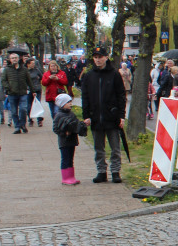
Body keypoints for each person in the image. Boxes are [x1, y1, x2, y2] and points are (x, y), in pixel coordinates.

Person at [80, 46, 127, 183]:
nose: (98, 60)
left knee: (115, 147)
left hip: (112, 117)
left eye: (100, 57)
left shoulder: (114, 74)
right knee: (98, 148)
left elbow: (121, 96)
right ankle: (101, 171)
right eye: (95, 57)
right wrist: (86, 115)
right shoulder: (89, 76)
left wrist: (121, 116)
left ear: (106, 57)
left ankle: (115, 171)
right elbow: (85, 97)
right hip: (96, 117)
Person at [52, 93, 85, 185]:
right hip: (64, 141)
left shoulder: (71, 114)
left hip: (72, 140)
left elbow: (76, 124)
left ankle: (71, 176)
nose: (70, 104)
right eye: (68, 102)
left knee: (71, 158)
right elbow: (55, 128)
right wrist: (63, 133)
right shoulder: (59, 115)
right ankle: (65, 178)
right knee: (65, 158)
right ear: (62, 104)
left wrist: (82, 125)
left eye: (70, 102)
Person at [3, 52, 37, 134]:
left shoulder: (24, 69)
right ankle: (17, 127)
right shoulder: (7, 69)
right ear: (10, 60)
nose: (14, 59)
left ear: (19, 59)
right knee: (14, 111)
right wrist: (8, 88)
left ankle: (23, 125)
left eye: (16, 58)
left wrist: (33, 91)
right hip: (12, 94)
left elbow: (29, 81)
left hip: (22, 93)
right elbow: (3, 80)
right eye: (12, 58)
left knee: (23, 109)